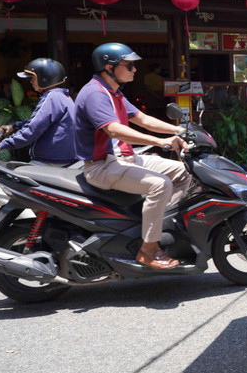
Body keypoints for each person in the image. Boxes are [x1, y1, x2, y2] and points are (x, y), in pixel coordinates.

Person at [74, 43, 191, 270]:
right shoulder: (95, 94)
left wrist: (179, 130)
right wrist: (160, 141)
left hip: (127, 159)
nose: (135, 70)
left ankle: (163, 225)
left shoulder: (114, 92)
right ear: (109, 68)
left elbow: (143, 119)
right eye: (129, 65)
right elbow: (114, 130)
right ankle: (148, 249)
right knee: (160, 184)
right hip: (103, 166)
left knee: (185, 171)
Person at [0, 58, 76, 166]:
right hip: (62, 158)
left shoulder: (51, 98)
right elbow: (41, 122)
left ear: (44, 79)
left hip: (50, 162)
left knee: (7, 172)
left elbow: (33, 129)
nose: (31, 81)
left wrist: (0, 145)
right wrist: (14, 126)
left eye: (33, 78)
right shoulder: (62, 96)